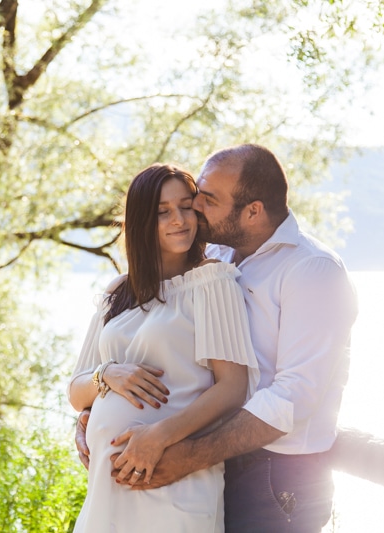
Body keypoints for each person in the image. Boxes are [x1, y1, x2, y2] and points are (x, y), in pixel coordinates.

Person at [75, 144, 359, 532]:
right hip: (210, 459)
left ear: (253, 211)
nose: (194, 210)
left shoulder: (312, 270)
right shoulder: (220, 255)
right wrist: (95, 412)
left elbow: (294, 397)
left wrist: (189, 454)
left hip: (274, 473)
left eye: (207, 200)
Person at [68, 163, 260, 532]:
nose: (180, 220)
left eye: (187, 206)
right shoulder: (117, 292)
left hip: (174, 480)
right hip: (110, 485)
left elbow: (232, 388)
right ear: (140, 221)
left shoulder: (212, 282)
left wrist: (158, 438)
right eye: (163, 212)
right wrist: (107, 374)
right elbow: (77, 392)